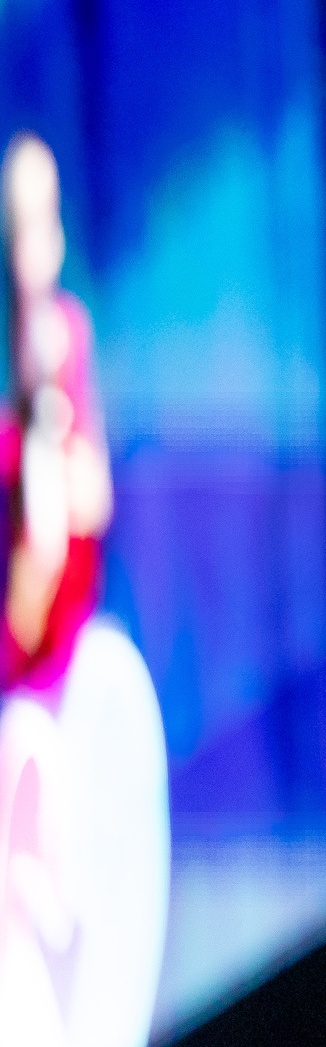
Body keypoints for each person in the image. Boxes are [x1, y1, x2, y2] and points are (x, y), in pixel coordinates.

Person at [4, 133, 111, 692]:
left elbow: (94, 502)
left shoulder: (69, 337)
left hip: (57, 664)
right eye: (16, 228)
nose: (28, 250)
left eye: (42, 223)